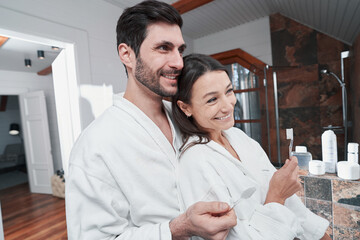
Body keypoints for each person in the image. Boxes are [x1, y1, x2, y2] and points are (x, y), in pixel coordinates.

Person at [65, 1, 237, 239]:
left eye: (180, 49)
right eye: (163, 48)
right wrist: (179, 228)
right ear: (127, 54)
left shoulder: (186, 116)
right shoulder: (95, 146)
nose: (178, 62)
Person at [172, 53, 331, 240]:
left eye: (229, 91)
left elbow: (292, 205)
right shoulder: (195, 162)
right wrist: (277, 196)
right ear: (185, 108)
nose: (228, 106)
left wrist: (323, 236)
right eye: (212, 100)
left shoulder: (238, 137)